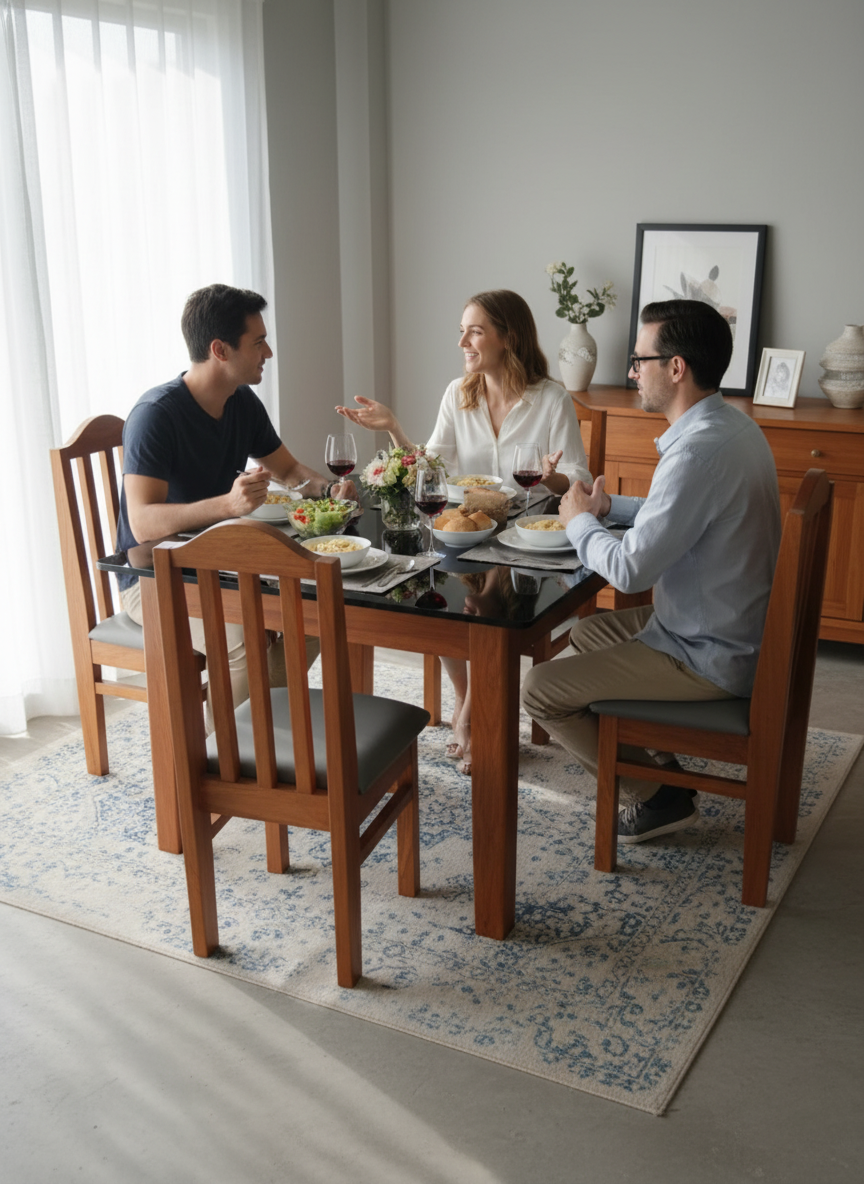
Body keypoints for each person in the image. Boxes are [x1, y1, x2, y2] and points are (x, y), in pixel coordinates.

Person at [522, 298, 781, 844]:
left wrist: (576, 525)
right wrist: (604, 509)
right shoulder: (731, 428)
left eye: (640, 359)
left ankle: (655, 794)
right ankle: (659, 763)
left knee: (540, 688)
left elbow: (630, 570)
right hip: (727, 629)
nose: (634, 371)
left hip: (708, 654)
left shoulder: (693, 456)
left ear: (676, 368)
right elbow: (676, 514)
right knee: (588, 632)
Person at [335, 289, 591, 772]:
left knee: (488, 599)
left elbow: (576, 477)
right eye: (462, 331)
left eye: (474, 331)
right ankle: (466, 699)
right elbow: (431, 466)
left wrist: (551, 473)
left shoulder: (550, 398)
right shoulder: (460, 392)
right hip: (464, 528)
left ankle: (470, 712)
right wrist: (393, 428)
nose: (463, 342)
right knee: (433, 598)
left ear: (506, 337)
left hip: (525, 534)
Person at [116, 283, 356, 724]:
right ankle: (229, 764)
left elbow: (290, 472)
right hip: (152, 580)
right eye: (259, 342)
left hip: (221, 567)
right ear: (220, 350)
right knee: (245, 633)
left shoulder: (241, 403)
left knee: (318, 612)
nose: (268, 353)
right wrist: (227, 506)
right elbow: (144, 523)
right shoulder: (156, 415)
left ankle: (259, 733)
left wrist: (327, 489)